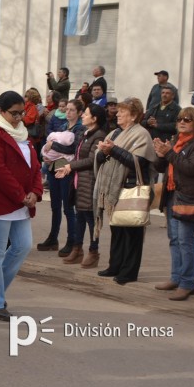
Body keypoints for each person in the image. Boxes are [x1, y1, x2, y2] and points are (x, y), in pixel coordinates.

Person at [0, 91, 43, 320]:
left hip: (20, 201)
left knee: (22, 246)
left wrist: (35, 191)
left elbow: (34, 166)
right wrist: (21, 194)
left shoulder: (22, 133)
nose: (19, 118)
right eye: (14, 113)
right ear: (0, 111)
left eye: (22, 113)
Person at [152, 107, 194, 301]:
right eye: (179, 119)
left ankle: (188, 283)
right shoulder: (176, 142)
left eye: (187, 119)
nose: (182, 122)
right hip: (172, 195)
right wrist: (160, 155)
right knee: (174, 239)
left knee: (185, 240)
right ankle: (176, 277)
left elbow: (191, 168)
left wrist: (169, 153)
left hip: (188, 196)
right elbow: (162, 167)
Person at [95, 97, 158, 285]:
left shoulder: (141, 134)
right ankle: (115, 265)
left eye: (123, 111)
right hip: (115, 187)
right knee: (117, 228)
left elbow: (138, 162)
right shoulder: (114, 132)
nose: (118, 114)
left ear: (134, 116)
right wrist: (103, 151)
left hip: (132, 186)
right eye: (119, 111)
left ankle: (129, 271)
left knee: (131, 231)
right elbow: (102, 157)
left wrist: (113, 150)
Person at [54, 103, 108, 268]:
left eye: (86, 114)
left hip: (90, 181)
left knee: (91, 219)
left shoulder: (98, 136)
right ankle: (77, 249)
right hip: (80, 180)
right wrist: (68, 168)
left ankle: (93, 252)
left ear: (95, 118)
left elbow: (92, 160)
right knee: (80, 218)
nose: (83, 116)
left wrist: (71, 166)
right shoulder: (86, 134)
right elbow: (79, 155)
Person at [38, 99, 84, 256]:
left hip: (67, 170)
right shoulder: (63, 126)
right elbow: (50, 143)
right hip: (53, 167)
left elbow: (72, 148)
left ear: (79, 113)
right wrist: (47, 153)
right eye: (67, 109)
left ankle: (72, 241)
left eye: (72, 110)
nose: (68, 112)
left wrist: (53, 146)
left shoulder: (80, 128)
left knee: (68, 207)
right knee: (55, 205)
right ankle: (53, 238)